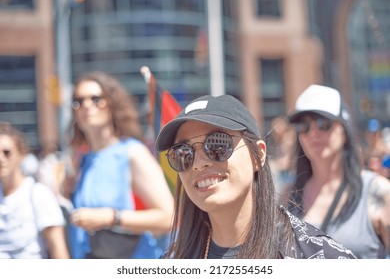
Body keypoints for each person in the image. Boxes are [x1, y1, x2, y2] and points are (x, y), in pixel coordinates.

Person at [154, 94, 356, 259]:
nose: (199, 164)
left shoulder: (319, 257)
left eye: (217, 144)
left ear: (258, 155)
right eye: (183, 153)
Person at [67, 71, 174, 259]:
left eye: (96, 99)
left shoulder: (132, 152)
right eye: (79, 101)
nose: (87, 106)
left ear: (112, 104)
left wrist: (111, 217)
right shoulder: (83, 159)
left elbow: (168, 217)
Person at [287, 84, 390, 258]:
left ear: (344, 129)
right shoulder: (287, 196)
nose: (313, 133)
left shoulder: (378, 192)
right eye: (303, 126)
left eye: (323, 123)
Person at [0, 122, 69, 258]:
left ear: (21, 154)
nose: (1, 159)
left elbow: (58, 250)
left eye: (7, 153)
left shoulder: (38, 194)